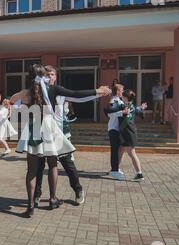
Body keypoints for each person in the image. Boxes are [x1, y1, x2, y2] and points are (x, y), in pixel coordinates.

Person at [10, 64, 111, 217]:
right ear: (44, 76)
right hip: (50, 129)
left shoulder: (26, 92)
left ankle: (31, 205)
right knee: (52, 165)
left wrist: (16, 102)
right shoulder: (53, 90)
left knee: (31, 170)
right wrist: (98, 91)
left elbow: (12, 100)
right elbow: (76, 94)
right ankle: (52, 199)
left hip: (33, 129)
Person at [34, 65, 100, 206]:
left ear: (55, 77)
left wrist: (97, 93)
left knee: (68, 164)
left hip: (60, 133)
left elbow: (78, 96)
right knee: (39, 164)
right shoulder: (38, 91)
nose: (50, 77)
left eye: (52, 74)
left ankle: (78, 190)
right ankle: (37, 194)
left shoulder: (60, 91)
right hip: (44, 133)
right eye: (47, 74)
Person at [118, 90, 147, 182]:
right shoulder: (131, 105)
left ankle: (139, 173)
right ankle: (115, 169)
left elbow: (126, 120)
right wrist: (141, 108)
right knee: (120, 151)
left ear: (126, 98)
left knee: (131, 153)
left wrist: (119, 129)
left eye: (123, 96)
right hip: (129, 132)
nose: (121, 98)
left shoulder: (127, 106)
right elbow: (136, 110)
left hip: (128, 132)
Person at [104, 84, 126, 181]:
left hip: (117, 128)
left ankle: (115, 168)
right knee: (114, 150)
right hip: (113, 128)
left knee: (117, 150)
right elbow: (109, 114)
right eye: (121, 90)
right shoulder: (114, 100)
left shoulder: (119, 100)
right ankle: (114, 170)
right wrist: (122, 113)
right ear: (117, 91)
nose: (123, 92)